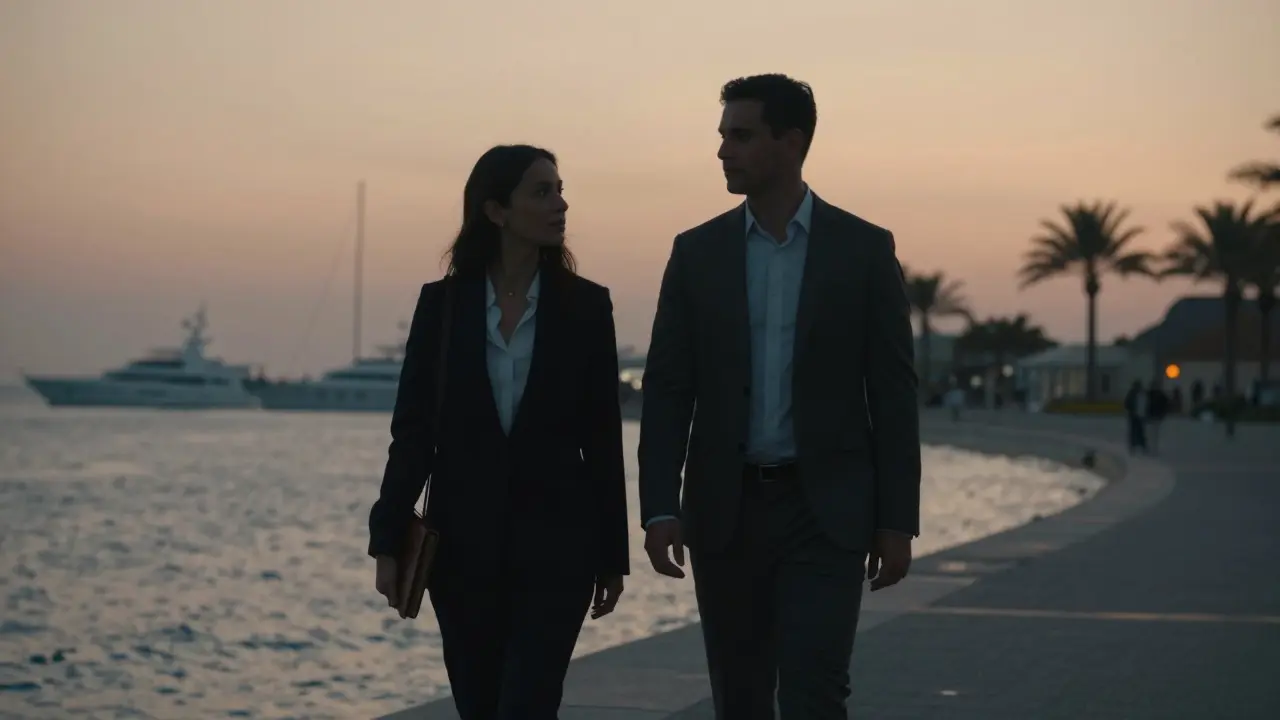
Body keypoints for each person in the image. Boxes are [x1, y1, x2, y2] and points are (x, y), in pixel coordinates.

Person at [638, 74, 921, 719]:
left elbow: (894, 393)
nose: (722, 151)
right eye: (721, 136)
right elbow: (668, 390)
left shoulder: (863, 250)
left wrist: (896, 519)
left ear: (790, 142)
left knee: (814, 692)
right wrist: (658, 508)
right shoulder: (696, 253)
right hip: (724, 510)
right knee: (739, 697)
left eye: (740, 135)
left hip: (826, 514)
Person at [368, 145, 629, 720]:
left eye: (561, 190)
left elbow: (602, 439)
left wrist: (613, 555)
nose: (560, 204)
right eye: (542, 191)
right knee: (479, 705)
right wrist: (387, 539)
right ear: (495, 210)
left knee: (529, 706)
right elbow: (412, 433)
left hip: (559, 549)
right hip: (461, 552)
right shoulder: (442, 307)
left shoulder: (586, 307)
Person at [1145, 378, 1170, 454]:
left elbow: (1165, 406)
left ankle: (1153, 449)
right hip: (1152, 417)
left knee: (1153, 434)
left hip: (1155, 417)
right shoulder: (1150, 394)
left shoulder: (1151, 395)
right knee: (1151, 434)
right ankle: (1151, 449)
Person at [1124, 379, 1148, 454]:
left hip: (1138, 415)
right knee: (1136, 432)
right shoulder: (1134, 394)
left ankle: (1139, 446)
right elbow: (1127, 403)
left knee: (1139, 432)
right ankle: (1135, 447)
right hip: (1135, 415)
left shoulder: (1140, 394)